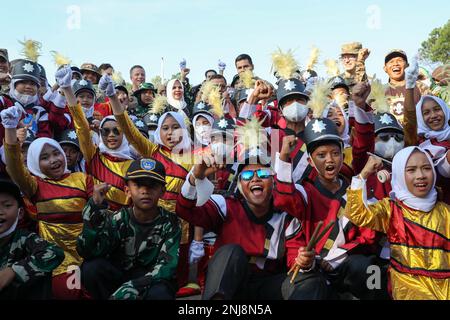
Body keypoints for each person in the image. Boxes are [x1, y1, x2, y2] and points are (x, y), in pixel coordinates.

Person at [99, 74, 195, 294]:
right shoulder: (153, 151)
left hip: (181, 222)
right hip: (151, 219)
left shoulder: (193, 157)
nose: (170, 133)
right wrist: (113, 97)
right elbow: (129, 130)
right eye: (165, 128)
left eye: (175, 127)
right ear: (158, 132)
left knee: (172, 280)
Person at [274, 118, 385, 300]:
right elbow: (284, 199)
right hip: (312, 270)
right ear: (310, 161)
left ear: (342, 155)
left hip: (344, 264)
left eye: (335, 153)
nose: (330, 160)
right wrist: (285, 157)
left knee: (372, 270)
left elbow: (368, 236)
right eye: (321, 155)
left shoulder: (354, 190)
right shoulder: (305, 192)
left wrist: (340, 254)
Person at [1, 103, 93, 299]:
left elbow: (98, 214)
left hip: (87, 252)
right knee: (68, 291)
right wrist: (10, 129)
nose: (53, 160)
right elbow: (14, 166)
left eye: (56, 153)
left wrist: (99, 203)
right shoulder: (34, 185)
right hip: (55, 257)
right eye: (44, 157)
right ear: (35, 163)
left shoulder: (82, 179)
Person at [345, 148, 450, 300]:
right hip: (408, 285)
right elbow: (357, 214)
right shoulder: (392, 210)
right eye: (411, 170)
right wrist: (364, 175)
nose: (420, 176)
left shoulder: (445, 212)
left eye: (426, 168)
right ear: (400, 174)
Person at [78, 158, 180, 300]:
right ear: (127, 190)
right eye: (138, 185)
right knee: (91, 268)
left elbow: (166, 267)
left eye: (152, 185)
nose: (145, 191)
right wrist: (94, 209)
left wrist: (133, 286)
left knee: (161, 293)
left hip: (151, 281)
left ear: (163, 191)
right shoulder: (117, 219)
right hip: (121, 276)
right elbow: (88, 251)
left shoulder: (171, 222)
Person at [57, 66, 134, 211]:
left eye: (117, 131)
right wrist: (67, 89)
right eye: (105, 131)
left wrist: (112, 96)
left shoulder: (134, 165)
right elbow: (82, 128)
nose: (111, 135)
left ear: (125, 134)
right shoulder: (94, 156)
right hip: (95, 221)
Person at [0, 179, 64, 300]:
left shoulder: (24, 238)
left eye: (7, 205)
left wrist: (14, 271)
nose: (0, 211)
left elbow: (55, 252)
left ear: (20, 213)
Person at [383, 50, 421, 124]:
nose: (396, 64)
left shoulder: (420, 87)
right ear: (385, 68)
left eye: (400, 60)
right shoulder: (379, 91)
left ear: (407, 65)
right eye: (391, 61)